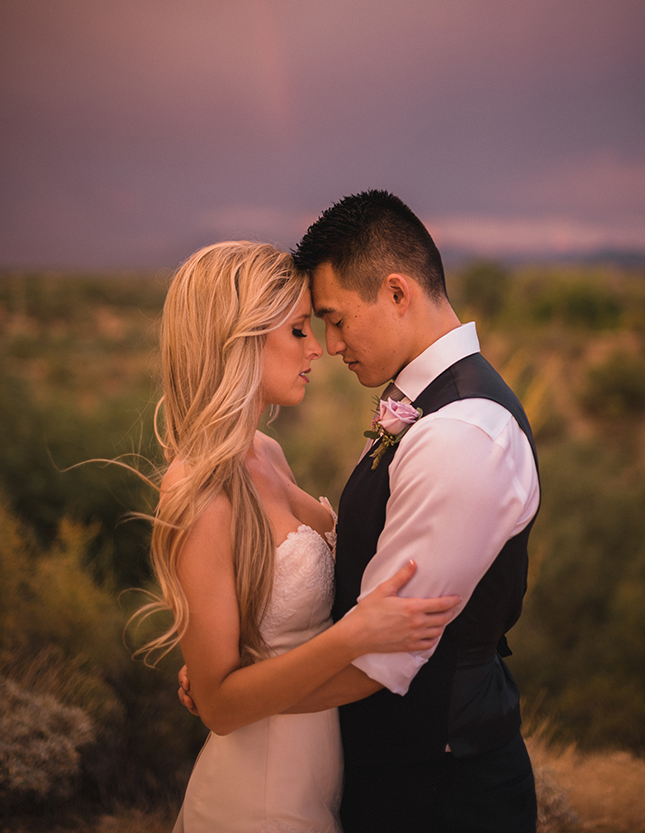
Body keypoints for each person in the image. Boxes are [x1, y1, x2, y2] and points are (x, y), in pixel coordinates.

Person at [181, 193, 542, 832]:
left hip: (442, 791)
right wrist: (229, 677)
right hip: (354, 778)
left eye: (334, 320)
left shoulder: (461, 434)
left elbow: (380, 658)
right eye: (307, 327)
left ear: (397, 293)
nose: (328, 344)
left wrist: (234, 697)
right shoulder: (424, 408)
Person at [143, 240, 461, 833]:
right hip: (259, 796)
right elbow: (217, 705)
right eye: (296, 331)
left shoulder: (266, 452)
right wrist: (353, 636)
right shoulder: (199, 490)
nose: (318, 347)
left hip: (322, 772)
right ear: (236, 341)